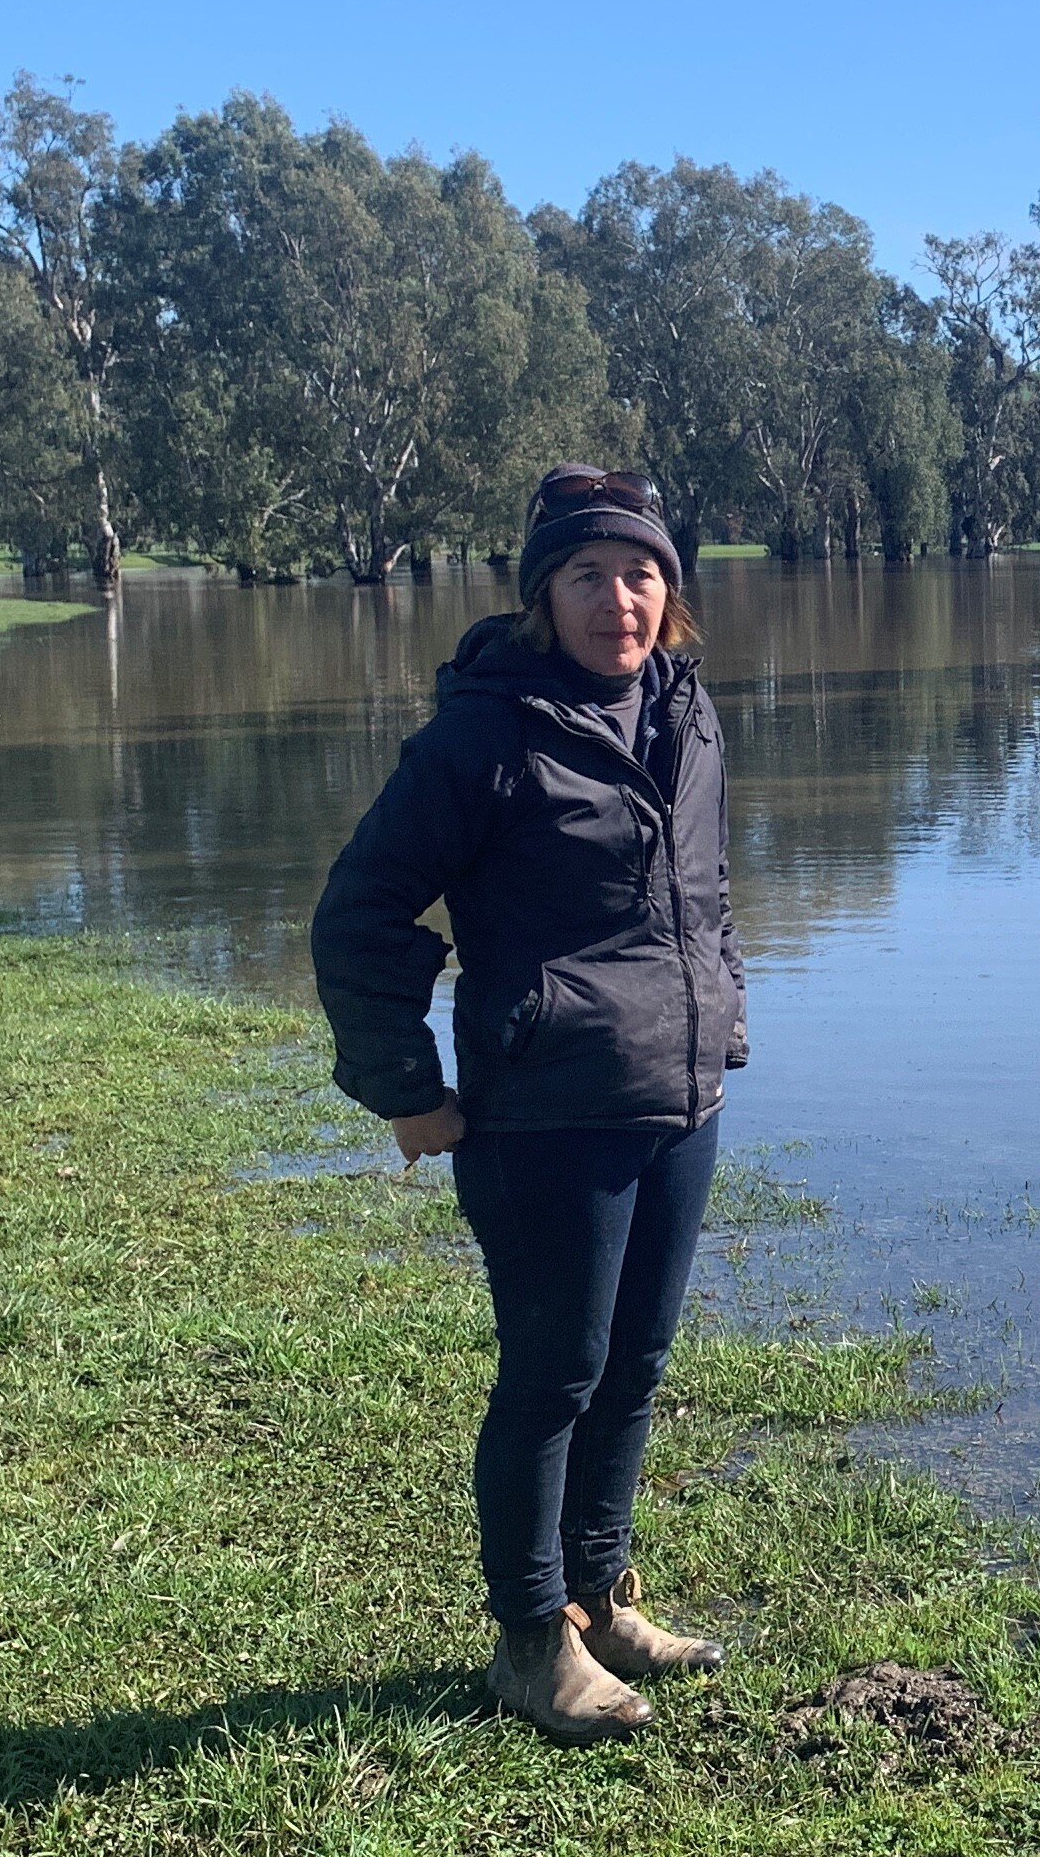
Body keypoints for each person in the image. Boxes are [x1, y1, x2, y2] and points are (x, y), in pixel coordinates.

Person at [310, 466, 747, 1743]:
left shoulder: (686, 710)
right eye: (588, 574)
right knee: (556, 1370)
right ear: (541, 593)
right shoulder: (485, 735)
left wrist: (722, 1020)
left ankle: (606, 1603)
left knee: (636, 1365)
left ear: (671, 591)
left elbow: (703, 899)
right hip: (547, 1109)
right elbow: (364, 911)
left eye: (642, 571)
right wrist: (408, 1089)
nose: (620, 598)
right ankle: (528, 1640)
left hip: (679, 1096)